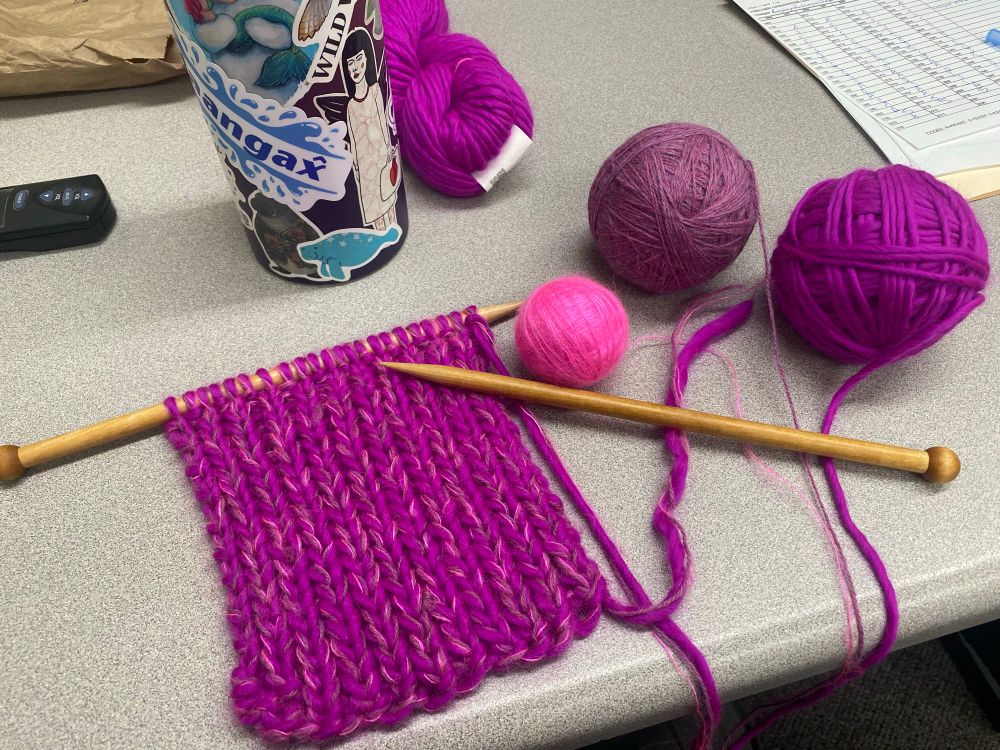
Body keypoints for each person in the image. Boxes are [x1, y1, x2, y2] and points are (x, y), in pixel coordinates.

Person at [341, 28, 398, 230]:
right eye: (350, 63)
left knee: (388, 203)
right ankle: (380, 239)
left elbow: (383, 123)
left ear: (367, 59)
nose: (355, 67)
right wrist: (356, 166)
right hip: (364, 167)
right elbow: (354, 140)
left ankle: (392, 233)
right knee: (374, 211)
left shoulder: (375, 92)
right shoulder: (350, 106)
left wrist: (389, 152)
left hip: (380, 157)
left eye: (359, 59)